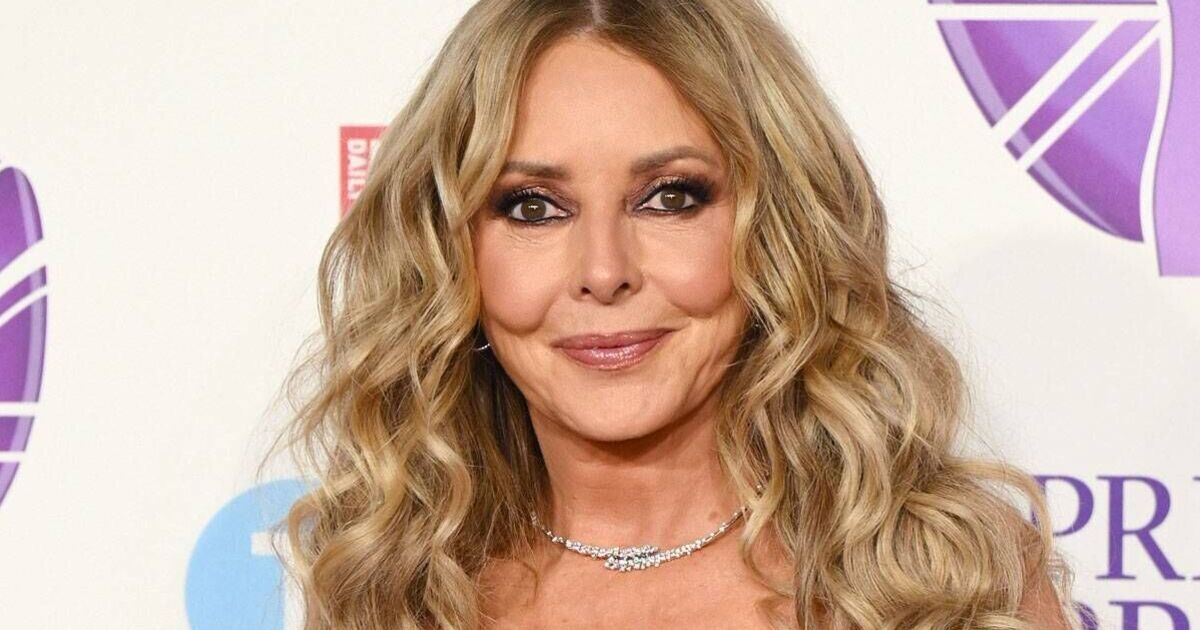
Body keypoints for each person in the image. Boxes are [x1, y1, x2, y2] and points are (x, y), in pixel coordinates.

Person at [262, 1, 1080, 628]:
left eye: (670, 197)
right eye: (533, 206)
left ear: (777, 228)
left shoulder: (936, 578)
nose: (604, 272)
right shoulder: (395, 588)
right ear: (450, 250)